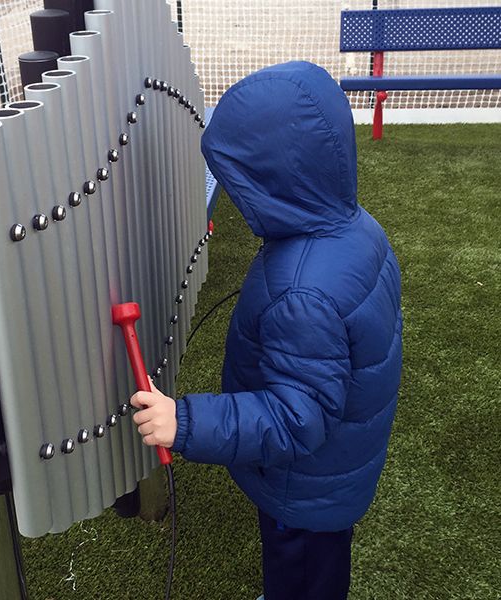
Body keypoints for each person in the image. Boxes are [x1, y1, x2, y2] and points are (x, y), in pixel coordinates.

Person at [130, 61, 402, 600]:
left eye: (243, 182)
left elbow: (295, 421)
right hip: (336, 471)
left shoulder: (303, 292)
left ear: (277, 181)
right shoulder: (355, 226)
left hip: (304, 484)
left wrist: (181, 421)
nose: (236, 194)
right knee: (316, 567)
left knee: (300, 569)